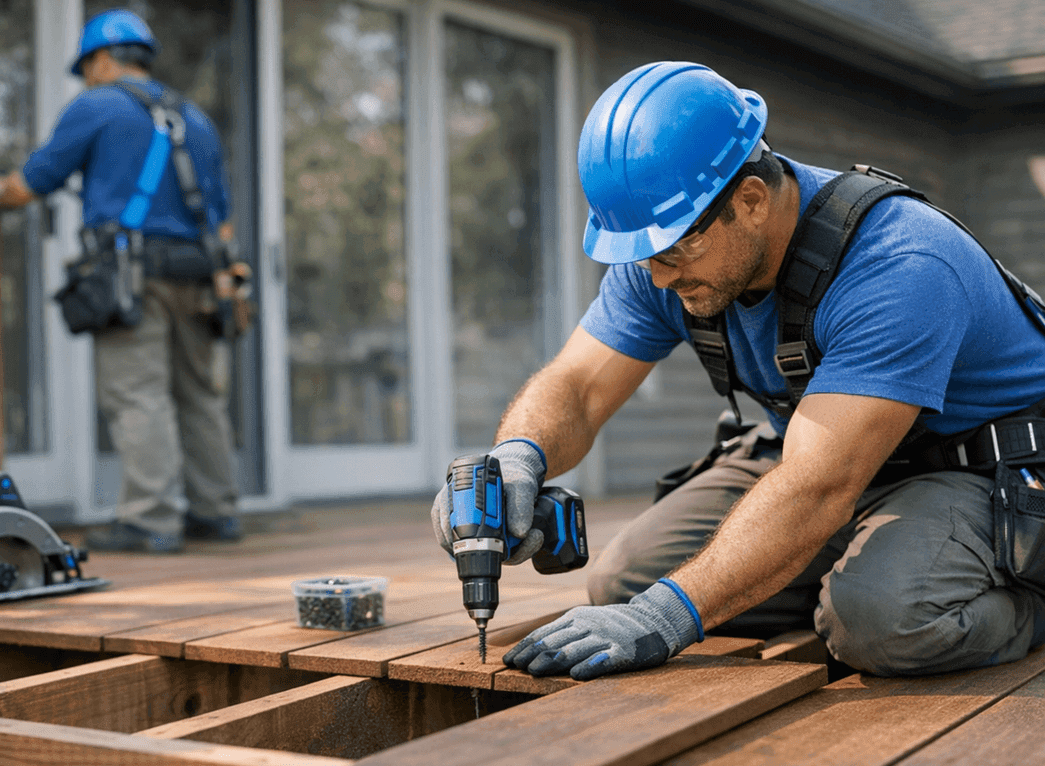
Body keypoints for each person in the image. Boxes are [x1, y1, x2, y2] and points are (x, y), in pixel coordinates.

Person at [431, 61, 1045, 680]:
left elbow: (818, 485)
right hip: (833, 457)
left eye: (671, 251)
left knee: (878, 621)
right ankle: (830, 570)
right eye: (642, 256)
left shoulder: (900, 263)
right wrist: (518, 456)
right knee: (624, 579)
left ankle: (1017, 598)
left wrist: (666, 619)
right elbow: (579, 387)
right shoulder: (665, 248)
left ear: (751, 201)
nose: (658, 276)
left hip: (978, 467)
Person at [0, 9, 244, 553]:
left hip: (133, 276)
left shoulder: (96, 105)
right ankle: (216, 513)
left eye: (86, 67)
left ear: (102, 60)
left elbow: (35, 182)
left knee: (138, 395)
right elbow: (220, 217)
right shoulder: (194, 117)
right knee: (199, 395)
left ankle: (151, 520)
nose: (86, 78)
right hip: (198, 277)